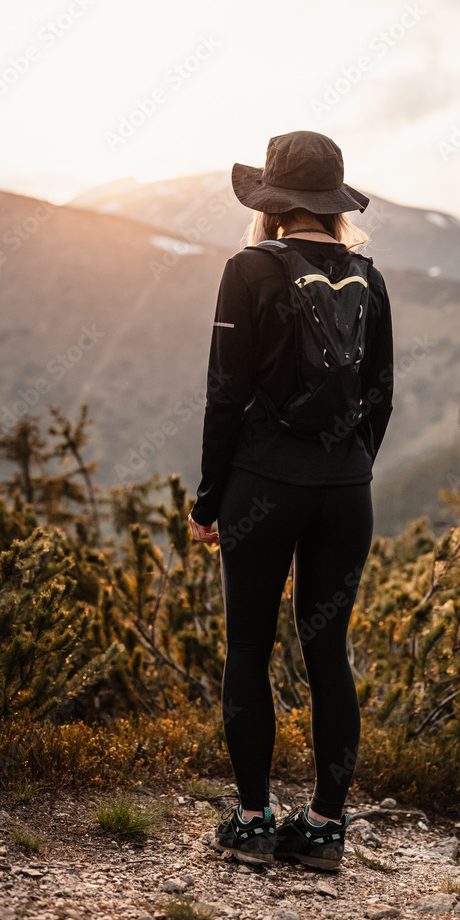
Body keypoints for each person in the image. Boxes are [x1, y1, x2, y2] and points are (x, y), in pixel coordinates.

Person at [188, 130, 394, 869]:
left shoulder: (248, 269)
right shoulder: (368, 276)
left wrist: (208, 501)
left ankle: (251, 820)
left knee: (247, 646)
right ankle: (324, 828)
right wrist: (348, 467)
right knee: (327, 651)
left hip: (261, 486)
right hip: (346, 491)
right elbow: (380, 397)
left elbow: (224, 396)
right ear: (333, 206)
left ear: (273, 204)